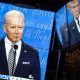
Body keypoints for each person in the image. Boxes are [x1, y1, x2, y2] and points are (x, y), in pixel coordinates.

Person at [0, 10, 40, 80]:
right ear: (4, 28)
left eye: (20, 27)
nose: (17, 32)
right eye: (13, 27)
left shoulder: (33, 53)